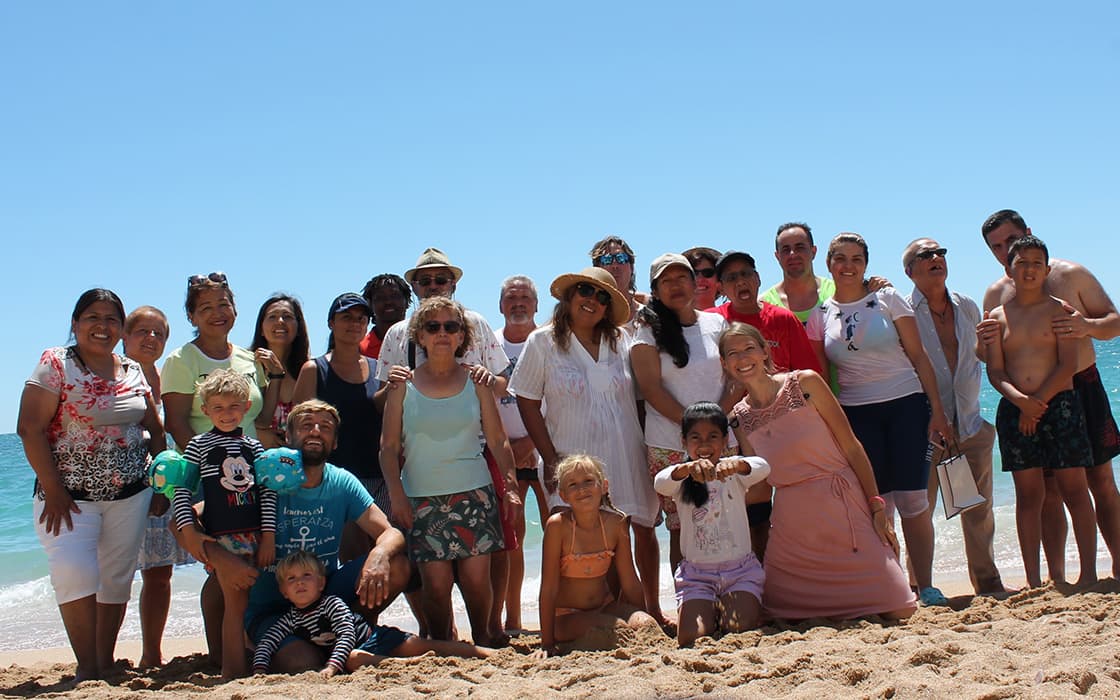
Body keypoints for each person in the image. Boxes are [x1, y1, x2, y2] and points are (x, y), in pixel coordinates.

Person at [195, 399, 411, 675]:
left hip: (323, 596)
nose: (316, 431)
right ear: (288, 436)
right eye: (307, 425)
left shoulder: (341, 481)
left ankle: (348, 632)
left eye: (325, 427)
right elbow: (191, 517)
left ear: (335, 442)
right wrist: (218, 557)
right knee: (300, 662)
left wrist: (379, 554)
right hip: (269, 607)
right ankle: (292, 646)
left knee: (397, 565)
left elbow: (391, 533)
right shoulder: (265, 478)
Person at [17, 288, 166, 682]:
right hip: (68, 496)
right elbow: (29, 428)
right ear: (75, 323)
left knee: (117, 577)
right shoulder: (56, 363)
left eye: (111, 319)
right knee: (74, 571)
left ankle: (104, 662)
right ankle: (86, 666)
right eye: (93, 317)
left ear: (121, 328)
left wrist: (160, 485)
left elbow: (155, 429)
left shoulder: (132, 369)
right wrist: (54, 489)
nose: (103, 326)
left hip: (132, 493)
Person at [721, 323, 916, 620]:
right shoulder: (738, 417)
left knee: (899, 608)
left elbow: (852, 447)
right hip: (793, 526)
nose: (743, 358)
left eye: (749, 348)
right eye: (733, 353)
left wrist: (876, 506)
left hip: (844, 505)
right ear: (724, 363)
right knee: (781, 613)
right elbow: (760, 485)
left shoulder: (806, 383)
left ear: (764, 351)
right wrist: (718, 502)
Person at [806, 233, 951, 606]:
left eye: (857, 258)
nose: (848, 266)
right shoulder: (820, 316)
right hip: (857, 414)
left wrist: (937, 410)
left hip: (907, 405)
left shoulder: (887, 298)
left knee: (914, 501)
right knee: (879, 504)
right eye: (841, 258)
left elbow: (919, 357)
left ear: (866, 264)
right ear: (829, 264)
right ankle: (895, 586)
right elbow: (821, 379)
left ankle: (926, 585)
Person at [377, 248, 513, 642]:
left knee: (476, 580)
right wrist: (397, 495)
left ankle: (484, 638)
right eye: (433, 327)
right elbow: (388, 448)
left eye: (450, 327)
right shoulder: (401, 384)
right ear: (419, 335)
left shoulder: (477, 380)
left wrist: (511, 488)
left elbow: (498, 438)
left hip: (474, 491)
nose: (442, 333)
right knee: (435, 586)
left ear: (461, 335)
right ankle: (444, 645)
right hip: (421, 495)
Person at [978, 209, 1120, 581]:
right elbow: (991, 356)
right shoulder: (996, 294)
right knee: (1047, 490)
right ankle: (1054, 576)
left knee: (1100, 481)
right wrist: (983, 348)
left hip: (1080, 385)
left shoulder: (1069, 275)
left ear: (1028, 232)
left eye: (1011, 240)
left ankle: (1115, 566)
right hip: (1023, 398)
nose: (1004, 251)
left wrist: (1085, 326)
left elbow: (1114, 322)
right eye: (996, 247)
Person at [510, 268, 660, 617]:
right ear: (569, 296)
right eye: (585, 291)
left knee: (629, 535)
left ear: (609, 308)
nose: (592, 300)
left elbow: (640, 401)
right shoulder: (543, 342)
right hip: (571, 460)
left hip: (624, 454)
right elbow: (527, 401)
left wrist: (647, 452)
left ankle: (642, 612)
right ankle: (581, 617)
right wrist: (550, 459)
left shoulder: (621, 341)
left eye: (603, 297)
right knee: (576, 539)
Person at [901, 238, 1006, 595]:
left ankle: (988, 582)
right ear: (909, 271)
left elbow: (981, 358)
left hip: (971, 424)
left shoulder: (967, 306)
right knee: (920, 511)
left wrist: (993, 344)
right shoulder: (901, 312)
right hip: (926, 428)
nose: (936, 258)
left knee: (979, 510)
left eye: (940, 253)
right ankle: (919, 586)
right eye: (925, 255)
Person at [631, 253, 733, 612]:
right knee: (683, 527)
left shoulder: (716, 324)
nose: (675, 286)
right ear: (655, 290)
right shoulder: (646, 332)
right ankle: (689, 602)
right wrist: (696, 429)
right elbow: (651, 388)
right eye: (666, 281)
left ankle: (727, 595)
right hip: (669, 443)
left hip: (721, 440)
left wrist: (715, 428)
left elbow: (733, 376)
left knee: (725, 520)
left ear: (695, 283)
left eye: (682, 278)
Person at [172, 368, 276, 679]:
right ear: (206, 411)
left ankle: (236, 662)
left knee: (245, 600)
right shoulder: (198, 446)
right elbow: (181, 489)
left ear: (246, 407)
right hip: (222, 537)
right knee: (236, 603)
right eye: (218, 407)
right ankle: (232, 671)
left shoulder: (254, 447)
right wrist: (189, 531)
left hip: (254, 535)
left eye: (233, 406)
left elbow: (267, 493)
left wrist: (269, 536)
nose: (226, 414)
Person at [252, 550, 491, 678]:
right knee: (354, 659)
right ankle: (410, 664)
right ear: (283, 592)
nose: (300, 583)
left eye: (307, 576)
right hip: (354, 654)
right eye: (291, 579)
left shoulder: (332, 604)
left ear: (322, 583)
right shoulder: (291, 619)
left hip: (374, 638)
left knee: (431, 645)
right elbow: (268, 642)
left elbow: (347, 634)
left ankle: (485, 652)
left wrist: (332, 667)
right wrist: (259, 670)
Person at [654, 403, 770, 647]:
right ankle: (709, 609)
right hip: (697, 576)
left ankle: (725, 609)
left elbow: (763, 467)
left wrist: (739, 464)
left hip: (740, 572)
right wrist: (687, 468)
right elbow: (660, 483)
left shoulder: (733, 470)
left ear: (725, 440)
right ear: (684, 441)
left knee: (737, 629)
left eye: (713, 437)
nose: (704, 444)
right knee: (690, 638)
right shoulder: (680, 476)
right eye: (696, 437)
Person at [121, 305, 192, 667]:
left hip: (162, 489)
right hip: (119, 489)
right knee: (114, 575)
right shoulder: (113, 375)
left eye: (159, 333)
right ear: (125, 336)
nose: (151, 339)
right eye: (142, 331)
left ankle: (152, 653)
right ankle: (102, 654)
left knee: (159, 575)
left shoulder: (168, 378)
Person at [536, 455, 661, 657]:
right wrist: (547, 643)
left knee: (645, 625)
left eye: (588, 481)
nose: (582, 489)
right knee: (618, 629)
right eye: (573, 484)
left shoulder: (616, 523)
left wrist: (641, 614)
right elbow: (548, 588)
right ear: (563, 495)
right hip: (566, 616)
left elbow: (630, 582)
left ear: (603, 486)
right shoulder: (557, 526)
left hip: (605, 607)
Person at [293, 293, 387, 516]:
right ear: (331, 323)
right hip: (328, 479)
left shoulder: (379, 369)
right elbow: (300, 429)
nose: (355, 323)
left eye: (361, 319)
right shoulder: (313, 369)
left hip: (376, 479)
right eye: (347, 317)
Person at [495, 274, 549, 633]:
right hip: (503, 454)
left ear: (536, 304)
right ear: (501, 305)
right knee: (511, 539)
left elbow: (558, 398)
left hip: (545, 448)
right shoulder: (490, 344)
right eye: (511, 299)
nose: (518, 304)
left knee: (557, 532)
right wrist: (508, 449)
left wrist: (530, 443)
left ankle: (556, 612)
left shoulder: (547, 341)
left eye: (525, 298)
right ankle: (512, 618)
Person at [162, 272, 267, 449]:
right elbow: (175, 424)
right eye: (206, 308)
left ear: (235, 310)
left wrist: (277, 376)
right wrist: (208, 460)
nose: (217, 313)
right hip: (202, 464)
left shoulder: (250, 359)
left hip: (248, 463)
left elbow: (262, 419)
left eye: (223, 305)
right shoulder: (180, 360)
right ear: (191, 317)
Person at [708, 250, 821, 374]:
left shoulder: (783, 319)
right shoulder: (712, 320)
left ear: (758, 279)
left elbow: (808, 373)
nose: (740, 282)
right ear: (721, 288)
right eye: (731, 278)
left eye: (746, 274)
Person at [251, 294, 310, 450]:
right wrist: (259, 433)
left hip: (299, 459)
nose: (280, 321)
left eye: (287, 316)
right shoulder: (247, 368)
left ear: (299, 328)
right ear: (261, 328)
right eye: (272, 316)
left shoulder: (309, 371)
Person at [761, 222, 837, 323]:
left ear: (813, 251)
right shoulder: (764, 305)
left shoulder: (837, 292)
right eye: (786, 250)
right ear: (777, 256)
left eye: (800, 248)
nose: (792, 254)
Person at [589, 235, 650, 328]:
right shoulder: (589, 318)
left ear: (631, 267)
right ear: (597, 268)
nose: (615, 265)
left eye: (621, 258)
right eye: (607, 259)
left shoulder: (649, 316)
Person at [359, 273, 412, 360]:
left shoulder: (421, 342)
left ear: (406, 301)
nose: (388, 302)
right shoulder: (359, 349)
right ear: (370, 304)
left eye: (395, 296)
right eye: (380, 298)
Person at [681, 246, 721, 311]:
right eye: (693, 273)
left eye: (707, 273)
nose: (699, 279)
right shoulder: (666, 317)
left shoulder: (731, 317)